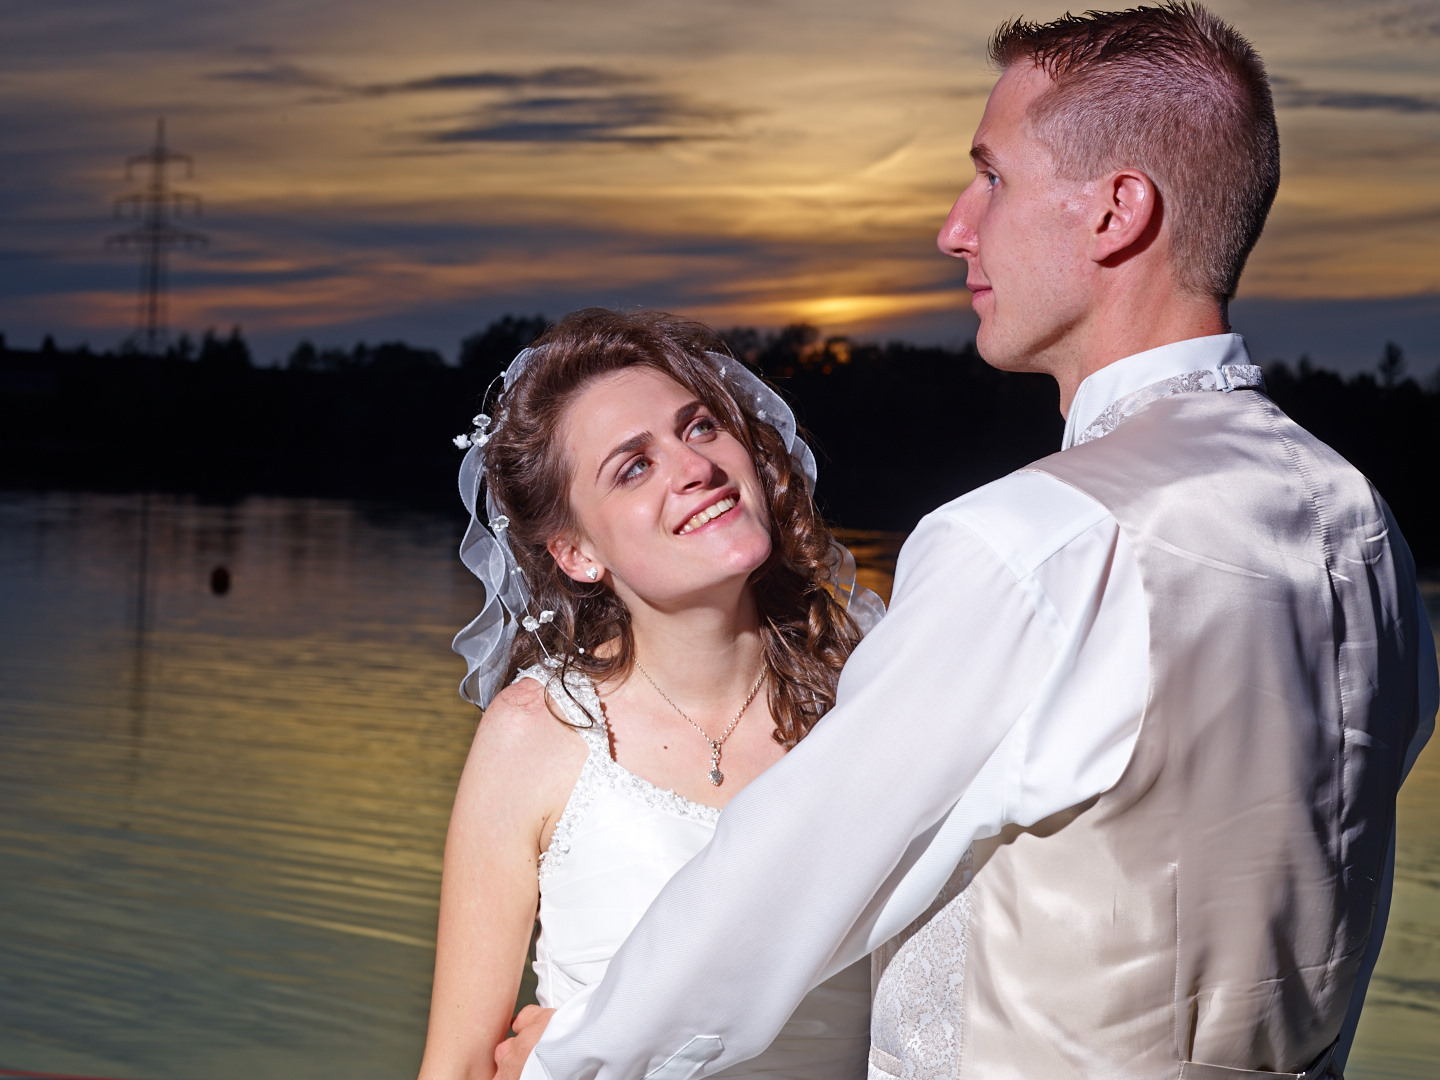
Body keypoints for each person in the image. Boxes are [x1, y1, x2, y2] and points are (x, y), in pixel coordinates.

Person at [500, 5, 1439, 1079]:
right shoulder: (1362, 528)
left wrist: (570, 1049)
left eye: (992, 176)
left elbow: (793, 870)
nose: (956, 226)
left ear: (1117, 212)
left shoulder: (1030, 545)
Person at [415, 308, 881, 1080]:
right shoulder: (538, 733)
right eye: (633, 467)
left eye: (699, 428)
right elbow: (460, 1064)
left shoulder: (868, 699)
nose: (694, 467)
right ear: (576, 552)